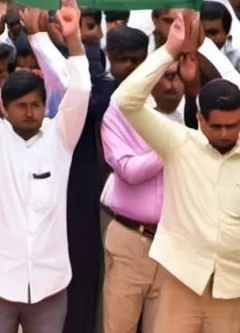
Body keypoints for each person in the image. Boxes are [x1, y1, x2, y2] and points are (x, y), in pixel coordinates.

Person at [0, 0, 91, 333]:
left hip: (51, 283)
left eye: (36, 104)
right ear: (3, 108)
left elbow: (79, 91)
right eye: (20, 105)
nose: (30, 111)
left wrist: (73, 38)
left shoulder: (60, 137)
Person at [113, 10, 240, 332]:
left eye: (233, 126)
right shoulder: (179, 141)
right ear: (199, 120)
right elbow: (125, 100)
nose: (225, 133)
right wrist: (169, 49)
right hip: (181, 281)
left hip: (232, 288)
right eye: (217, 126)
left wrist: (204, 47)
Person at [101, 49, 186, 333]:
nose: (170, 85)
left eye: (176, 77)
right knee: (119, 328)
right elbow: (129, 171)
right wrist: (172, 147)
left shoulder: (192, 116)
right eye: (163, 77)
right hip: (130, 239)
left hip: (173, 243)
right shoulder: (120, 114)